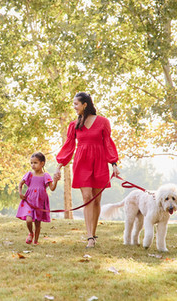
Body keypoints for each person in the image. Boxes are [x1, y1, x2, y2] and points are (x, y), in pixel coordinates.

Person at [55, 92, 119, 248]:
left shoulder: (103, 122)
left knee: (96, 200)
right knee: (87, 197)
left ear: (85, 104)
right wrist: (59, 166)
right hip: (82, 163)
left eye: (76, 104)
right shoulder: (74, 124)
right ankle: (89, 236)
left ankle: (94, 233)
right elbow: (69, 147)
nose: (74, 107)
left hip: (99, 163)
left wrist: (114, 164)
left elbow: (108, 144)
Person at [16, 152, 60, 245]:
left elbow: (52, 188)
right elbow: (20, 184)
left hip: (40, 202)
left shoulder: (46, 176)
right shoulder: (29, 174)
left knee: (37, 223)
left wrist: (55, 181)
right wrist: (20, 193)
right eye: (31, 163)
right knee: (29, 220)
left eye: (35, 163)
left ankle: (36, 241)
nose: (33, 165)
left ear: (42, 163)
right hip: (29, 201)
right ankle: (31, 233)